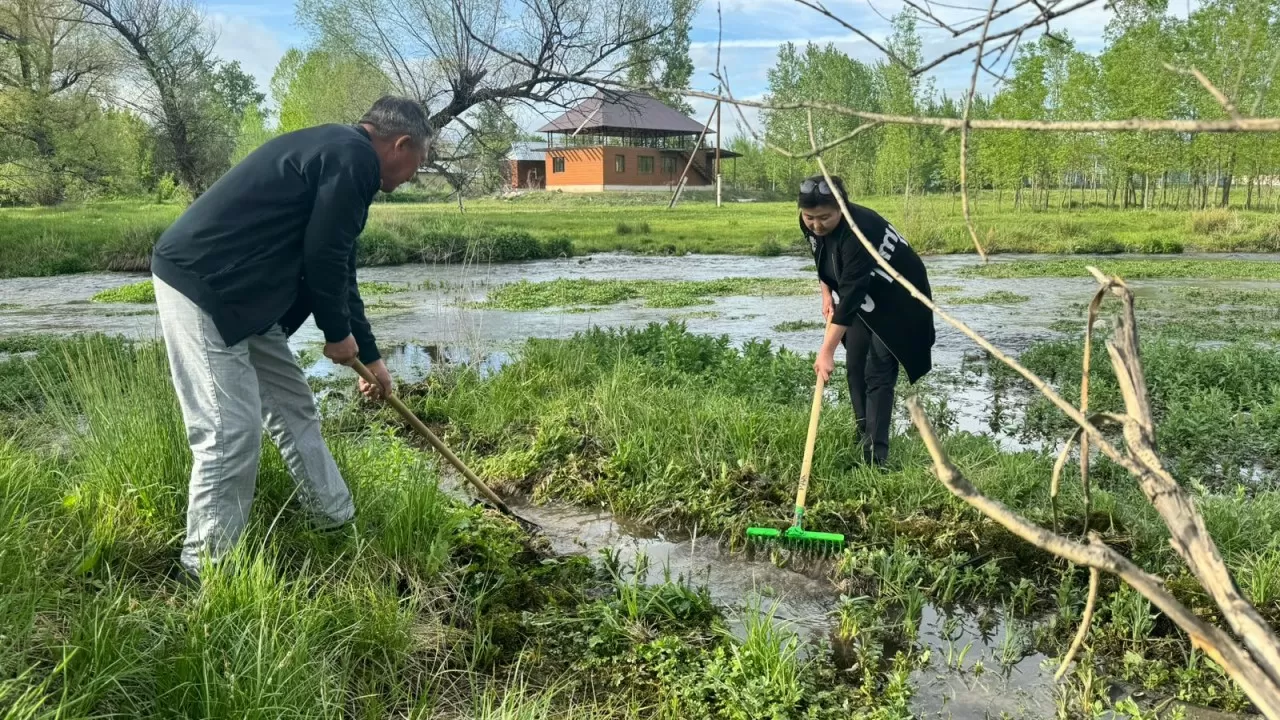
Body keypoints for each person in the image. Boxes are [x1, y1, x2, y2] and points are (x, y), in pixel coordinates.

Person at [151, 95, 431, 580]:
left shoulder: (342, 154)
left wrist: (369, 354)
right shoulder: (353, 157)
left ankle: (334, 522)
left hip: (249, 296)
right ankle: (205, 573)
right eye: (417, 164)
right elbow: (324, 253)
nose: (411, 176)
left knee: (294, 408)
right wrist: (336, 334)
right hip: (205, 282)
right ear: (401, 144)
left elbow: (340, 264)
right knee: (228, 432)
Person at [799, 174, 936, 467]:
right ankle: (862, 434)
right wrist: (826, 294)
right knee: (856, 366)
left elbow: (850, 298)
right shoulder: (810, 224)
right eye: (810, 217)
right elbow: (821, 257)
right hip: (866, 293)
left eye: (824, 217)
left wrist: (826, 351)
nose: (816, 225)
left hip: (901, 299)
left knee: (878, 370)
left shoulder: (858, 233)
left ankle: (876, 457)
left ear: (842, 209)